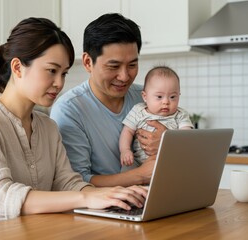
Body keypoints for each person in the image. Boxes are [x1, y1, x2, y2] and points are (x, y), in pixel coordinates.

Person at [0, 17, 147, 229]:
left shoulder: (47, 126)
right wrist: (86, 199)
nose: (59, 83)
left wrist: (112, 195)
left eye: (64, 73)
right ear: (17, 67)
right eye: (51, 71)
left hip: (27, 230)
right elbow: (0, 199)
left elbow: (67, 182)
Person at [50, 13, 166, 188]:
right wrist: (140, 176)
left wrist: (168, 141)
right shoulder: (69, 109)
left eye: (132, 65)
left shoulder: (145, 96)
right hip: (100, 210)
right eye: (113, 66)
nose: (124, 76)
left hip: (153, 198)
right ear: (88, 62)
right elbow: (76, 182)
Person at [119, 66, 193, 171]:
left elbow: (186, 137)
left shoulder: (180, 115)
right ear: (145, 96)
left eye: (172, 97)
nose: (166, 102)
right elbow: (127, 131)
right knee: (126, 168)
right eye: (159, 97)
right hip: (137, 162)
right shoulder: (138, 110)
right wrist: (125, 150)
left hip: (168, 162)